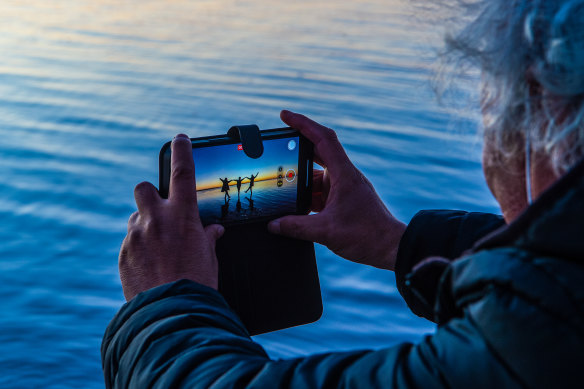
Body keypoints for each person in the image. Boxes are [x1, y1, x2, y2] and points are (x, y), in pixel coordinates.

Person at [103, 2, 584, 388]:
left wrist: (165, 304)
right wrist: (395, 242)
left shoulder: (532, 348)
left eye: (488, 93)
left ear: (544, 107)